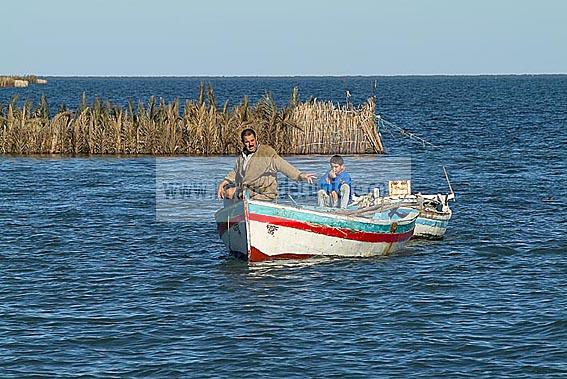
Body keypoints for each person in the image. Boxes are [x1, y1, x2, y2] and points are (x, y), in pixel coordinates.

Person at [217, 128, 316, 201]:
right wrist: (224, 182)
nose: (250, 144)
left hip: (264, 194)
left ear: (256, 139)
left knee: (240, 194)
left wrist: (300, 175)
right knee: (228, 192)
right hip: (245, 192)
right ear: (243, 142)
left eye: (252, 140)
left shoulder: (266, 153)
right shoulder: (242, 157)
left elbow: (283, 165)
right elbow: (236, 172)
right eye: (247, 142)